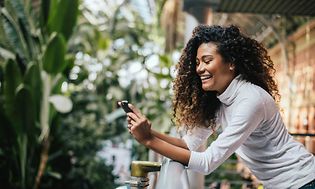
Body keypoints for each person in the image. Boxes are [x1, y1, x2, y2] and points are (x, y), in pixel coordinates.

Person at [119, 25, 315, 189]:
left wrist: (148, 140)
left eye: (207, 61)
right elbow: (188, 145)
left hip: (303, 181)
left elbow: (206, 163)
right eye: (197, 63)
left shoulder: (251, 100)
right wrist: (149, 131)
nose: (199, 69)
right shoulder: (220, 99)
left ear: (231, 63)